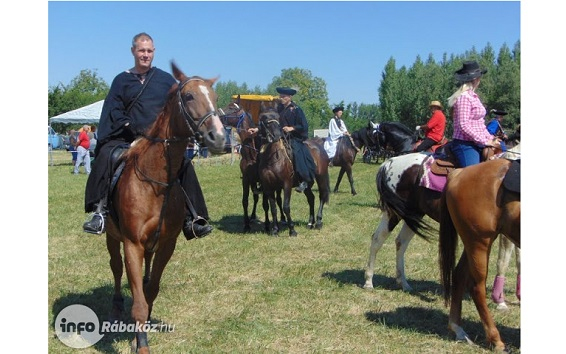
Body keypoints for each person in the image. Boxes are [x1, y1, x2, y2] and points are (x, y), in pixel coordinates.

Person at [82, 32, 212, 240]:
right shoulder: (121, 80)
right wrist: (131, 128)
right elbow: (113, 110)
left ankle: (193, 218)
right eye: (141, 50)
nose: (145, 54)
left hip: (159, 142)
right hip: (126, 138)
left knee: (184, 165)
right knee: (108, 157)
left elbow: (177, 109)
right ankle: (101, 211)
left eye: (149, 51)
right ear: (133, 51)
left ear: (154, 52)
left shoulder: (165, 80)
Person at [447, 60, 501, 167]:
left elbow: (480, 124)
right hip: (465, 144)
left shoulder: (474, 97)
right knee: (473, 174)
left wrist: (490, 138)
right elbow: (464, 125)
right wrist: (485, 141)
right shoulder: (464, 97)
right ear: (476, 79)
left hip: (478, 142)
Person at [276, 87, 316, 193]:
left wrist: (291, 128)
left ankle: (303, 179)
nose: (281, 98)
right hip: (279, 136)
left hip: (293, 138)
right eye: (281, 96)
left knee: (296, 152)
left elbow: (304, 125)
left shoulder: (296, 109)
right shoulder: (278, 108)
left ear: (289, 97)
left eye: (283, 96)